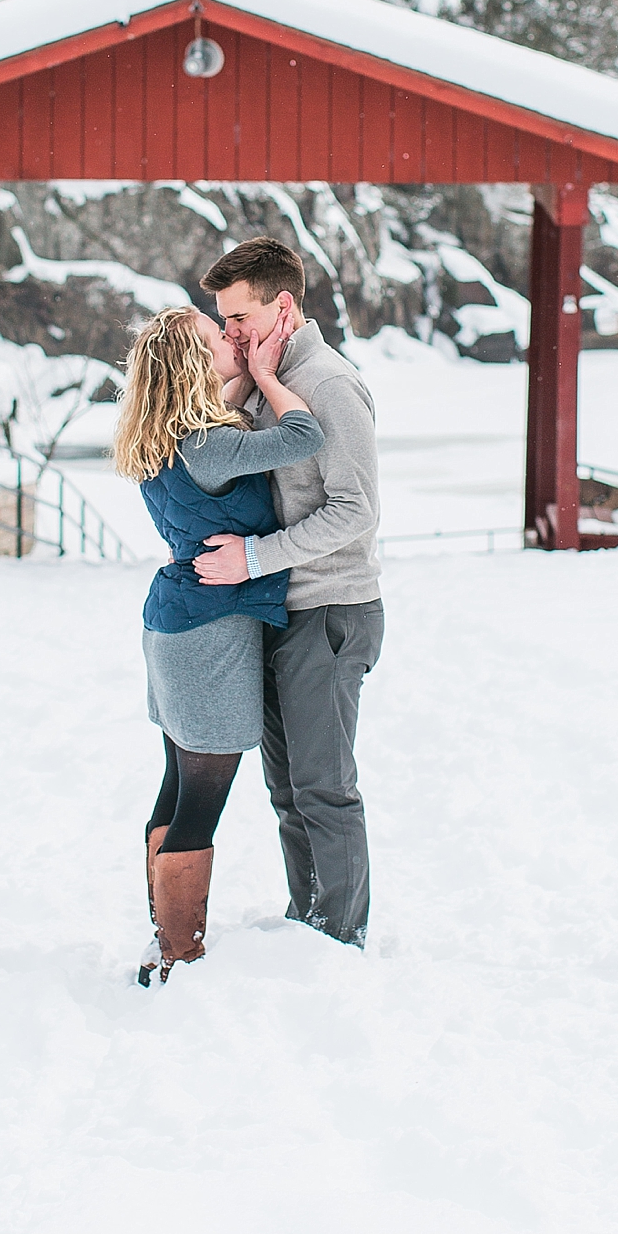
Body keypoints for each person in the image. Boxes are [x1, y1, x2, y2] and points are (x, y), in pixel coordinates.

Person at [113, 300, 324, 982]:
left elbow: (216, 419)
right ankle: (178, 953)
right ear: (193, 364)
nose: (230, 337)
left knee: (178, 788)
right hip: (212, 636)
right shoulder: (213, 444)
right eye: (215, 336)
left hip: (175, 626)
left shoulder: (171, 435)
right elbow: (303, 434)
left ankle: (162, 938)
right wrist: (265, 372)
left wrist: (238, 380)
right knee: (201, 802)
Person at [192, 236, 383, 947]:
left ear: (283, 306)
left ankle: (339, 937)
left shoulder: (329, 385)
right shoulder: (272, 377)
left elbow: (356, 509)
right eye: (222, 319)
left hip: (331, 609)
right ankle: (308, 924)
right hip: (284, 608)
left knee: (325, 790)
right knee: (288, 793)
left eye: (237, 317)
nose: (229, 333)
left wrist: (256, 559)